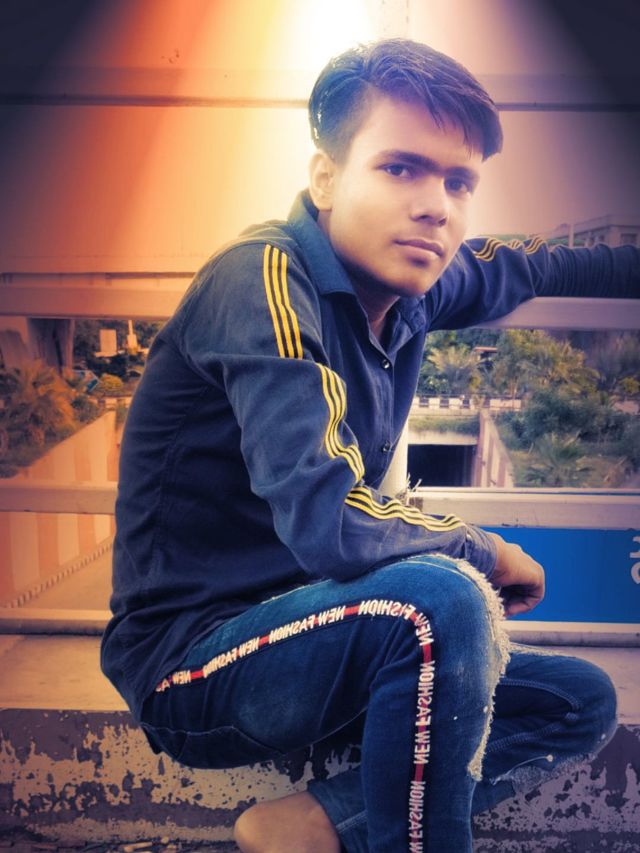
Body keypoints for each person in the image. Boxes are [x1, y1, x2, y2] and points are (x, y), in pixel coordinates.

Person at [101, 39, 637, 852]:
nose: (435, 206)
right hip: (194, 666)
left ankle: (314, 823)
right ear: (326, 179)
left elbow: (538, 264)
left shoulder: (417, 285)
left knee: (576, 699)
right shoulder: (264, 279)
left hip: (320, 632)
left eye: (458, 182)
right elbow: (332, 523)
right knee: (443, 597)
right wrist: (486, 549)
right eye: (400, 168)